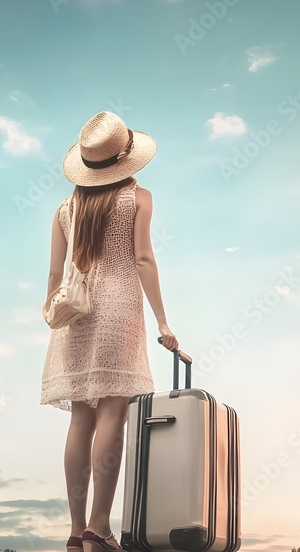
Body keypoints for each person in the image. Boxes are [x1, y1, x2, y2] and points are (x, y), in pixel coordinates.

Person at [40, 111, 180, 552]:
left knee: (80, 417)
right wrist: (163, 321)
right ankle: (101, 527)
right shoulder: (138, 198)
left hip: (73, 314)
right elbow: (142, 261)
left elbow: (53, 274)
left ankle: (75, 528)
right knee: (112, 415)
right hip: (119, 309)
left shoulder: (66, 209)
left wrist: (52, 313)